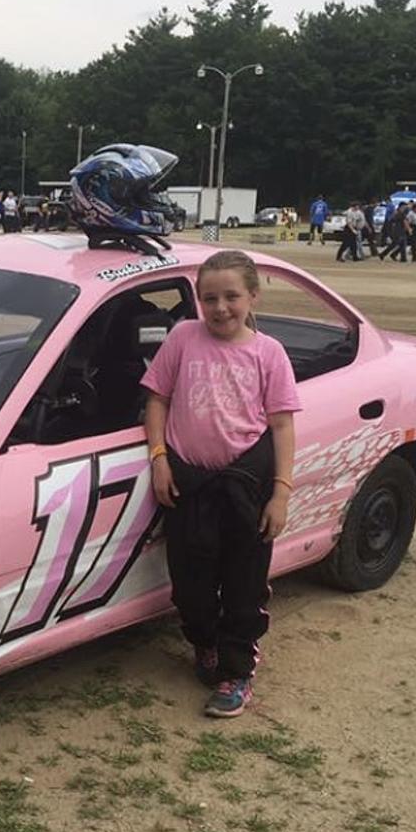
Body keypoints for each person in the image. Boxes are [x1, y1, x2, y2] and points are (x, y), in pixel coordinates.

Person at [141, 249, 301, 718]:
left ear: (252, 296)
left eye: (231, 296)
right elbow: (157, 399)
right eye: (209, 298)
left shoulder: (267, 353)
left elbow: (283, 427)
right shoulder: (182, 338)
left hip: (244, 492)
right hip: (189, 486)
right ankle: (205, 644)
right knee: (190, 583)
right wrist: (159, 458)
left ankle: (236, 670)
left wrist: (281, 492)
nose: (219, 308)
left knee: (242, 585)